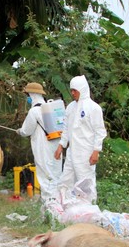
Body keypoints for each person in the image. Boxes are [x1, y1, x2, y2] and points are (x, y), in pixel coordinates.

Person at [54, 75, 107, 203]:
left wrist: (96, 151)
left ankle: (88, 209)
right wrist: (61, 145)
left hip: (86, 153)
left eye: (75, 90)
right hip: (72, 152)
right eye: (71, 90)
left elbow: (100, 131)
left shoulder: (94, 108)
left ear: (82, 89)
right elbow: (66, 128)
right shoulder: (71, 107)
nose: (72, 93)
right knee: (66, 179)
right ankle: (63, 205)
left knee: (85, 182)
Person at [16, 82, 62, 200]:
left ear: (32, 95)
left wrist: (19, 131)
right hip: (56, 146)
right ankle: (58, 200)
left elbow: (26, 130)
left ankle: (49, 203)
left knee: (44, 174)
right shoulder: (50, 108)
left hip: (43, 147)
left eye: (28, 95)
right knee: (55, 173)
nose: (27, 98)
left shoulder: (34, 111)